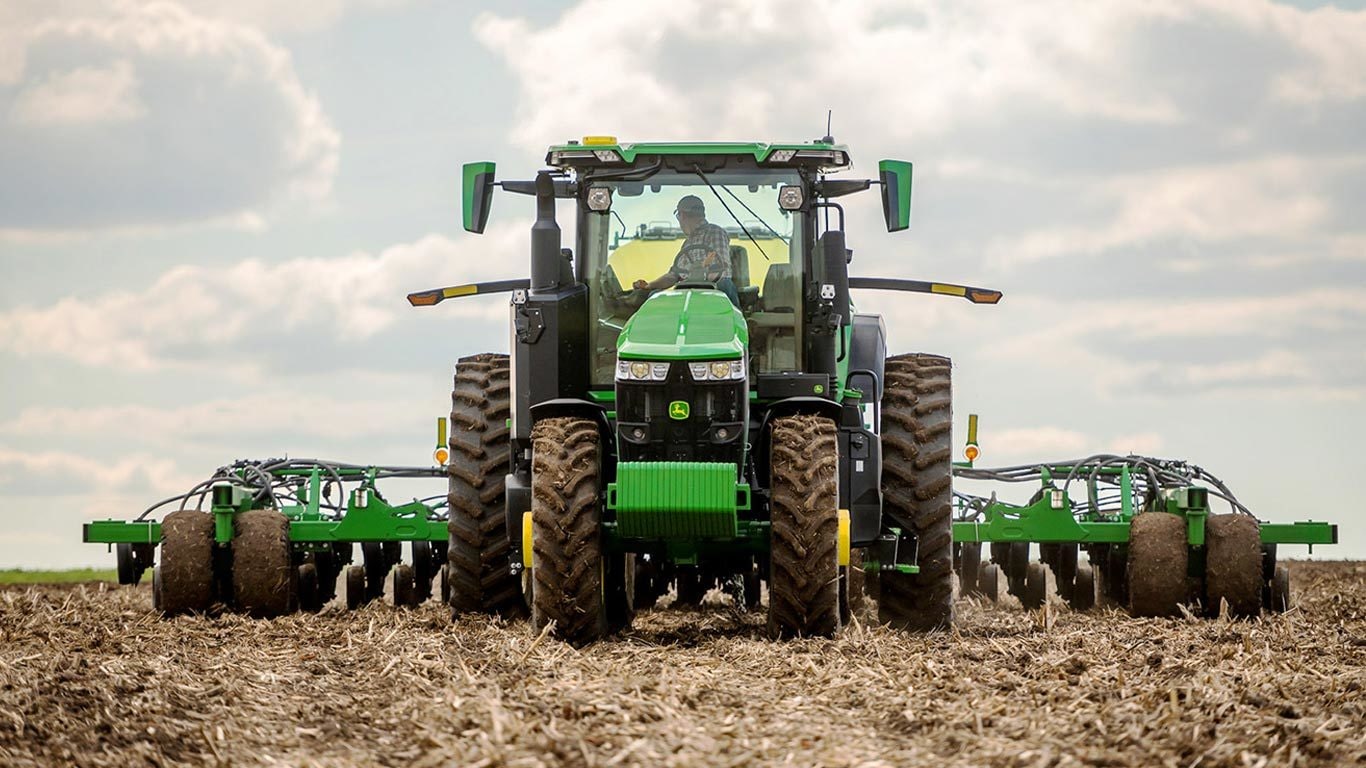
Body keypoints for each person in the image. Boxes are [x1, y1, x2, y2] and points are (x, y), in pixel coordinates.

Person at [633, 195, 738, 305]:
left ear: (681, 215)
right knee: (654, 296)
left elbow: (720, 269)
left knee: (723, 283)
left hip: (714, 293)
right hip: (689, 293)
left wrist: (694, 279)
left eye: (678, 215)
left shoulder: (715, 232)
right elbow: (673, 276)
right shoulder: (687, 244)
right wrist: (648, 286)